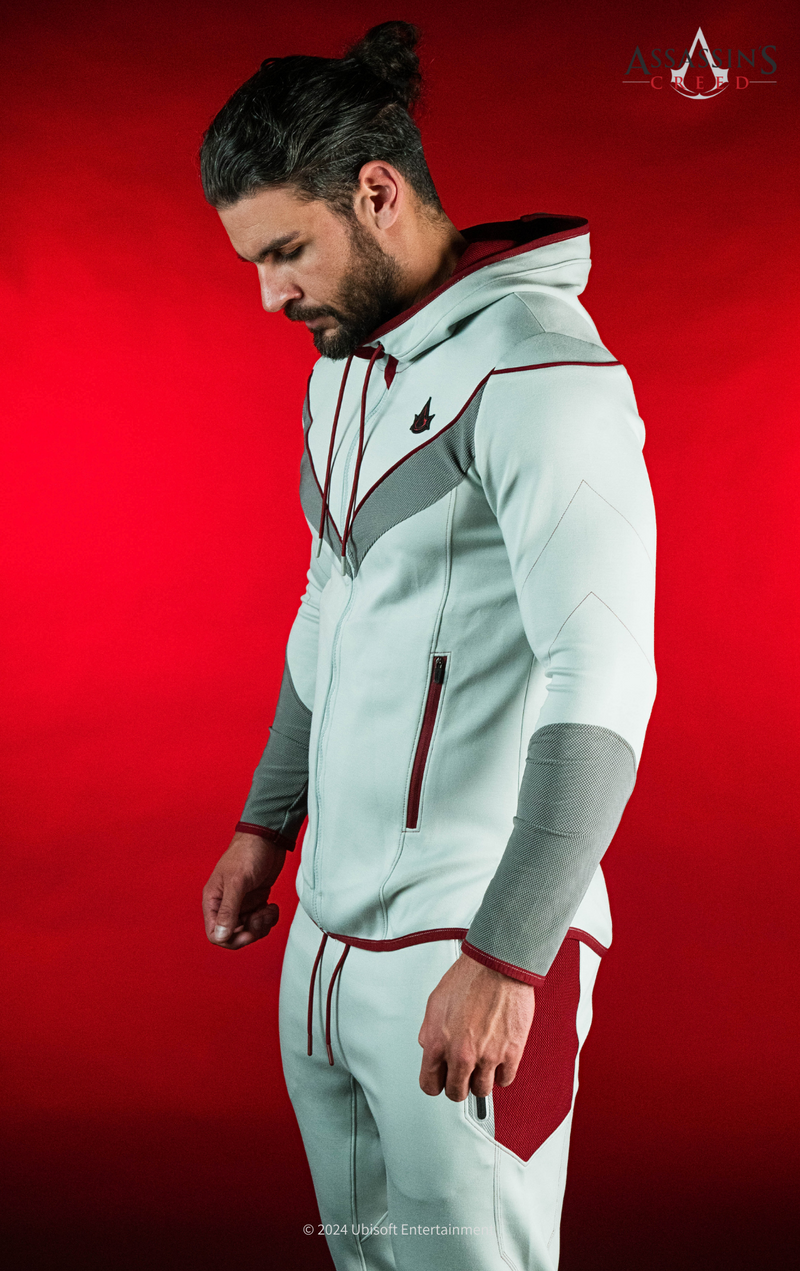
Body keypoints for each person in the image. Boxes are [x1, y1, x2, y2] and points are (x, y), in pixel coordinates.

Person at [199, 20, 656, 1271]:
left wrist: (507, 952)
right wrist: (265, 821)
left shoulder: (542, 374)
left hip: (468, 942)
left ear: (376, 193)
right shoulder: (343, 369)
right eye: (253, 260)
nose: (269, 295)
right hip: (325, 939)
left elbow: (603, 675)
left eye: (285, 250)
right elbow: (329, 604)